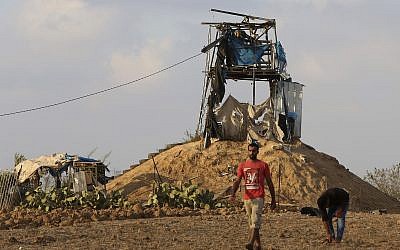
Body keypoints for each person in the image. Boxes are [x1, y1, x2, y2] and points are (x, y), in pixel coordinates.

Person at [230, 141, 276, 250]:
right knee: (251, 222)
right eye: (250, 151)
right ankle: (258, 245)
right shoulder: (243, 165)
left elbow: (269, 182)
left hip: (258, 197)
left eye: (254, 151)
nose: (251, 153)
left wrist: (274, 199)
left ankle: (250, 243)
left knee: (255, 220)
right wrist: (233, 193)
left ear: (257, 151)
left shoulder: (263, 165)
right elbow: (237, 181)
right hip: (247, 198)